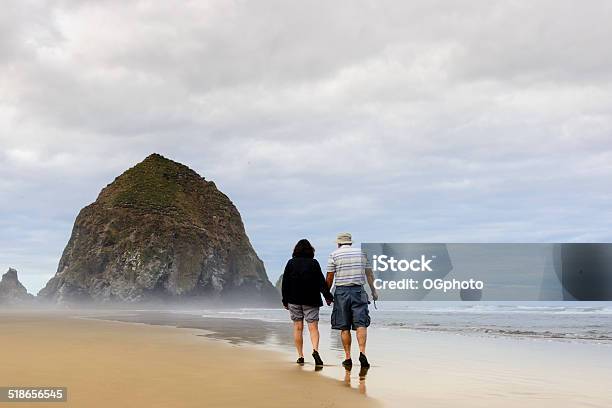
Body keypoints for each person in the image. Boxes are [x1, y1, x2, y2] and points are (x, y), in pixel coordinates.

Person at [326, 232, 378, 368]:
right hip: (358, 291)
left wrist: (327, 295)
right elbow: (369, 274)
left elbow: (330, 278)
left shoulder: (334, 255)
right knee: (361, 323)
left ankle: (348, 357)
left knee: (344, 326)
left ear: (338, 243)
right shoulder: (362, 253)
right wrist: (373, 291)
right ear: (350, 242)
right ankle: (362, 353)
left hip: (341, 292)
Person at [282, 239, 333, 366]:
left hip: (294, 300)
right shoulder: (314, 263)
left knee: (298, 328)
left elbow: (285, 283)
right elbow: (321, 282)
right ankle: (315, 350)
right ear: (311, 251)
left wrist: (285, 300)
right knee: (313, 328)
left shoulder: (290, 263)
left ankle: (300, 356)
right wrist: (328, 296)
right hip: (311, 300)